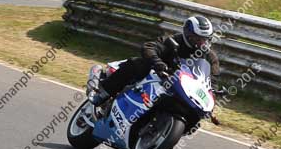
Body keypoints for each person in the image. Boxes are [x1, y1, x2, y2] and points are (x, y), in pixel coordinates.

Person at [90, 16, 220, 108]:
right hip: (158, 74)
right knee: (139, 64)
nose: (201, 43)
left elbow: (212, 80)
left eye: (205, 39)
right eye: (197, 38)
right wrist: (158, 63)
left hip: (183, 88)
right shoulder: (174, 40)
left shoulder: (210, 57)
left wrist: (212, 93)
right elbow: (149, 47)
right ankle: (104, 92)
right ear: (188, 33)